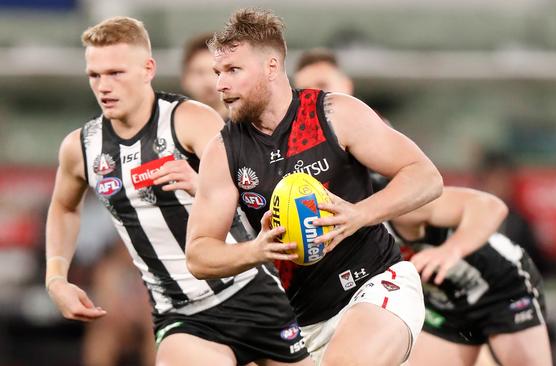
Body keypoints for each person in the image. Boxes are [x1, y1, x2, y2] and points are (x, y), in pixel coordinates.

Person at [44, 16, 311, 366]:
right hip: (183, 313)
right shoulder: (82, 147)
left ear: (147, 69)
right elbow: (64, 207)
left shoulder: (190, 121)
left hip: (251, 289)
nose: (104, 86)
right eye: (95, 75)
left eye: (116, 73)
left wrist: (202, 184)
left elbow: (256, 188)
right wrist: (56, 278)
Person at [185, 8, 443, 366]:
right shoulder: (223, 151)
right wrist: (256, 251)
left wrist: (358, 214)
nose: (220, 86)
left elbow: (426, 176)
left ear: (272, 67)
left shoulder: (334, 113)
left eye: (233, 71)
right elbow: (198, 253)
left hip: (375, 283)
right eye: (218, 73)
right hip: (301, 321)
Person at [372, 175, 552, 366]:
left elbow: (491, 207)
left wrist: (452, 249)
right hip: (443, 299)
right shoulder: (347, 223)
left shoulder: (393, 203)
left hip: (502, 284)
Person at [181, 32, 229, 119]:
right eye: (199, 72)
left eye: (216, 72)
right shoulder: (172, 128)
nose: (208, 81)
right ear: (185, 79)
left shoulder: (251, 128)